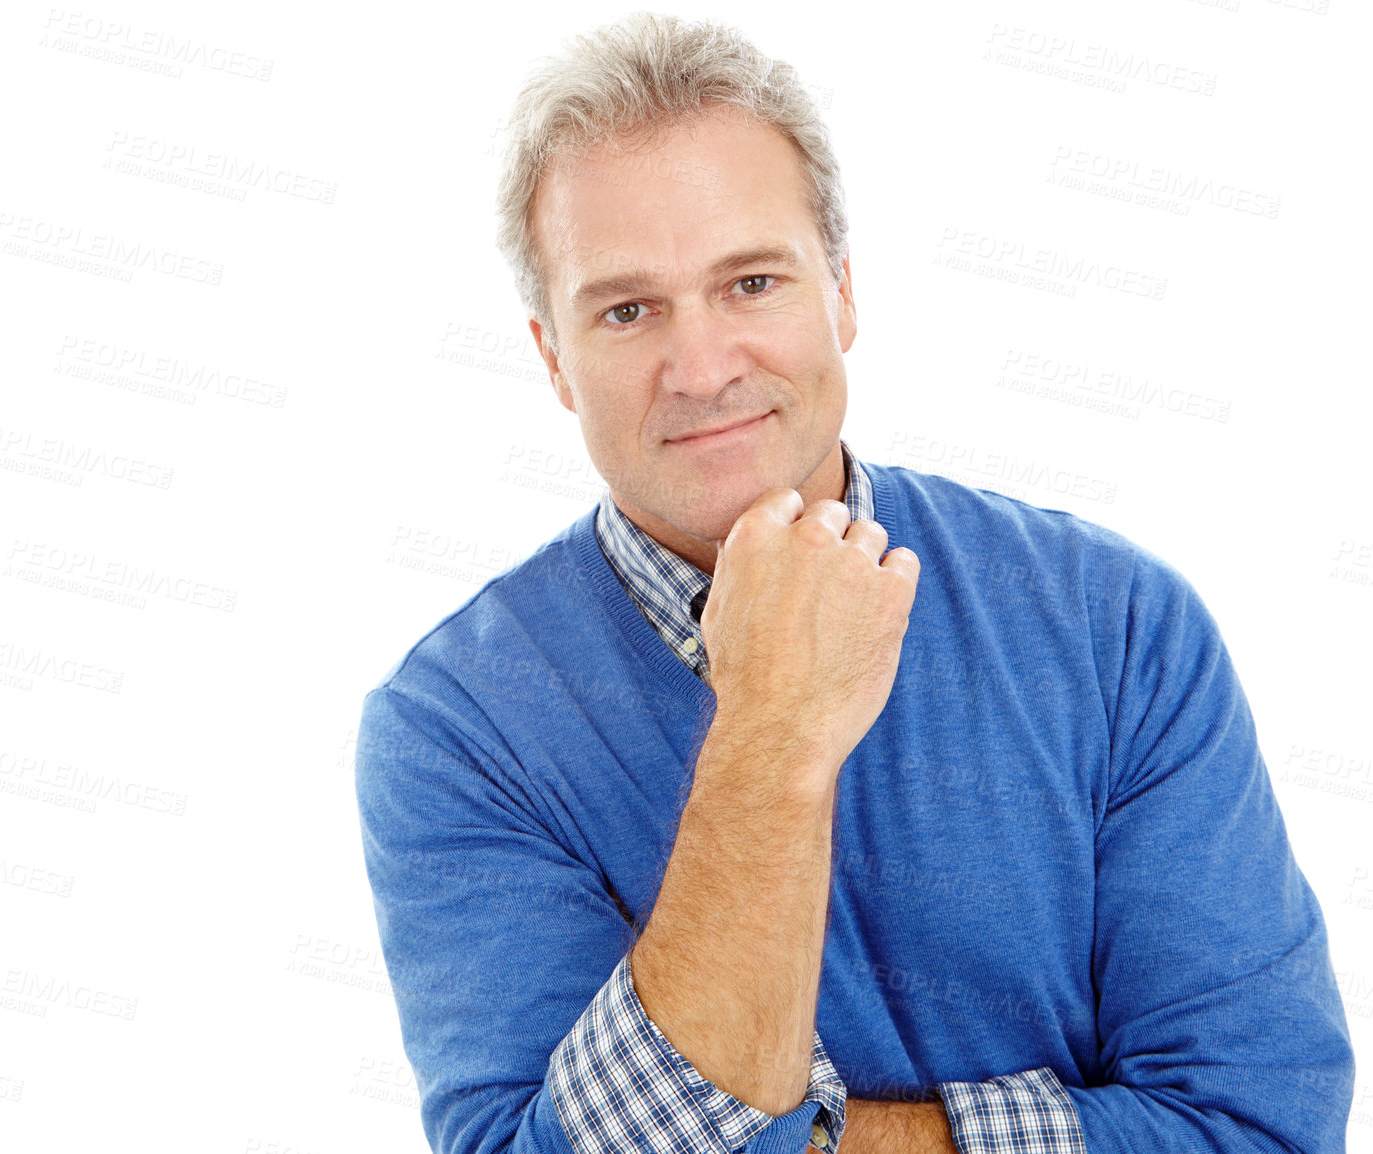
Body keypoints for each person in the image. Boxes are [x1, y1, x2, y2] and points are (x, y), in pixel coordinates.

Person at [354, 14, 1353, 1154]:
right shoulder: (454, 730)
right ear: (551, 360)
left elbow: (1258, 1123)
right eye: (626, 309)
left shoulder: (1115, 625)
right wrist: (772, 730)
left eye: (751, 281)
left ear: (841, 292)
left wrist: (808, 1140)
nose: (703, 366)